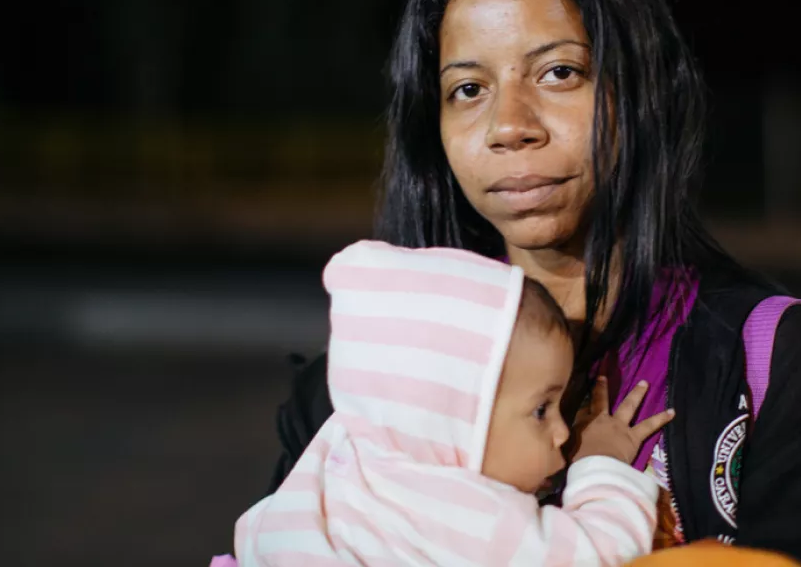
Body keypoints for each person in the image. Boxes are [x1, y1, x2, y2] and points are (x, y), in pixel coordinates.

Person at [270, 0, 801, 565]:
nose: (509, 126)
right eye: (469, 88)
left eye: (559, 73)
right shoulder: (354, 393)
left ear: (642, 90)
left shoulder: (771, 357)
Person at [220, 240, 674, 566]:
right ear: (451, 422)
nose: (562, 431)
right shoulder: (456, 512)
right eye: (541, 410)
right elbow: (598, 555)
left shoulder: (344, 453)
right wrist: (604, 468)